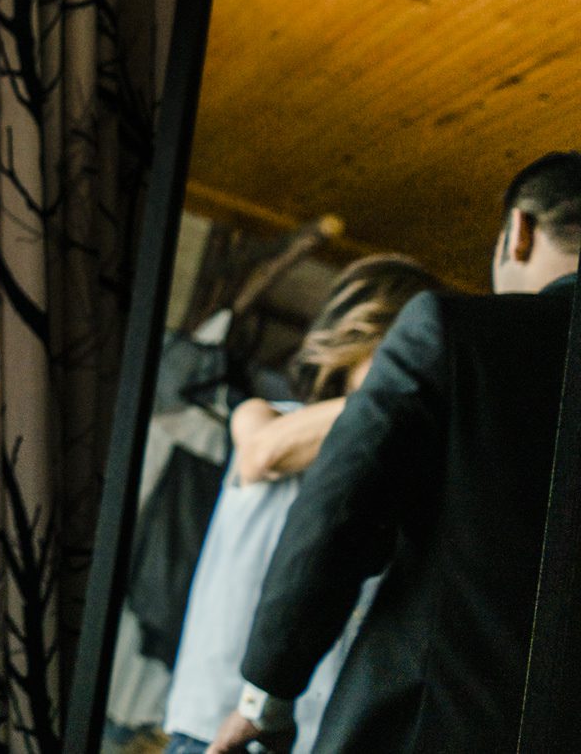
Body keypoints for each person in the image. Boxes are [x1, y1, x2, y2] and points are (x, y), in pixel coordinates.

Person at [210, 152, 581, 754]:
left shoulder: (454, 333)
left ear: (519, 233)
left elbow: (340, 514)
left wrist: (266, 698)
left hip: (422, 729)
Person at [157, 255, 438, 754]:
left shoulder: (405, 472)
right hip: (217, 729)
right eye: (406, 350)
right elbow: (264, 452)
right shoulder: (263, 416)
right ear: (361, 339)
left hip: (322, 739)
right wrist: (413, 390)